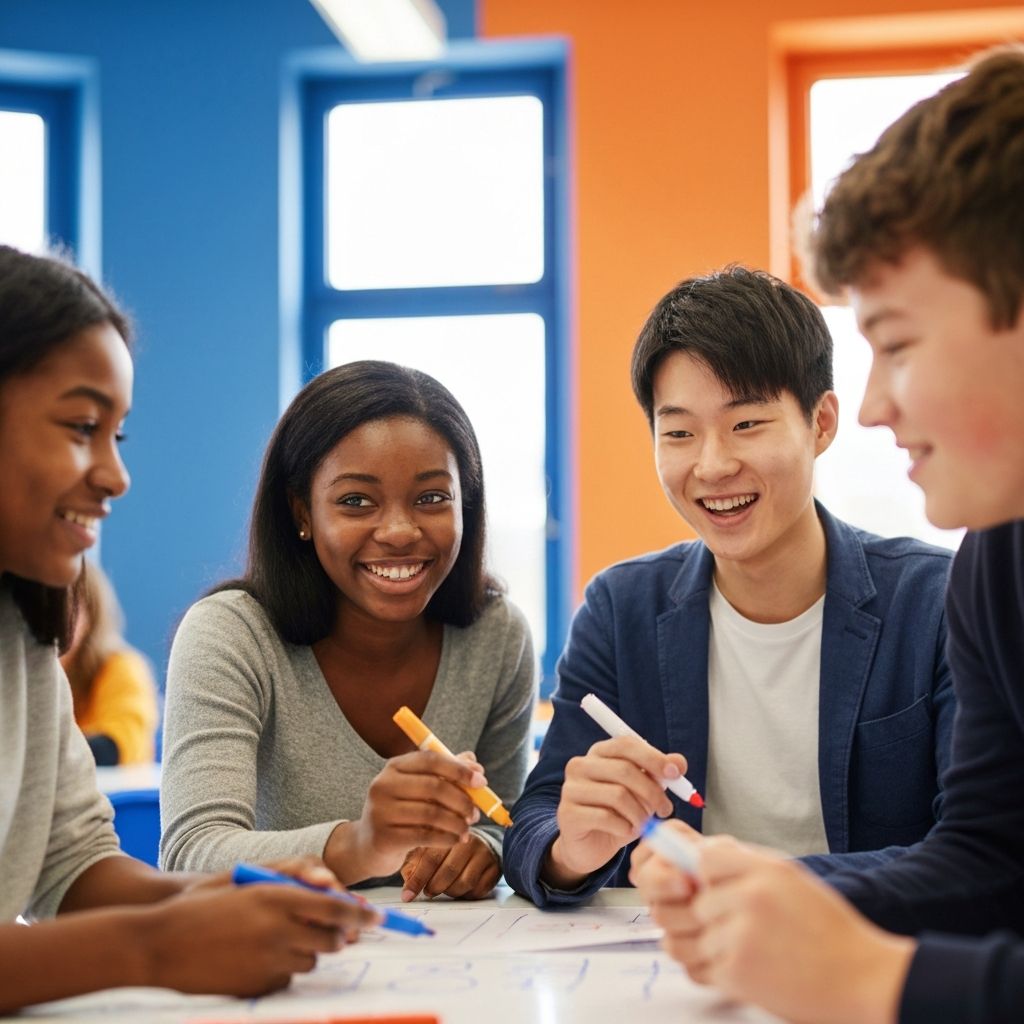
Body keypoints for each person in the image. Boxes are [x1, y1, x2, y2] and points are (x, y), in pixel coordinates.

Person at [632, 44, 1024, 1024]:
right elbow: (988, 857)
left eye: (895, 343)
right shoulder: (997, 560)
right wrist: (777, 901)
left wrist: (874, 982)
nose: (880, 405)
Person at [503, 266, 954, 908]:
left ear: (821, 423)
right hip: (675, 976)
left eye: (746, 425)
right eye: (679, 432)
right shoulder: (621, 607)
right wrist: (572, 850)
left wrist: (767, 885)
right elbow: (538, 819)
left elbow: (974, 847)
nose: (712, 465)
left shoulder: (936, 601)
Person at [0, 245, 375, 1014]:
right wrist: (159, 945)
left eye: (118, 435)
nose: (115, 475)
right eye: (80, 426)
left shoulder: (25, 629)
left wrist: (224, 901)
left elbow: (73, 864)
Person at [160, 360, 536, 903]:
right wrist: (359, 845)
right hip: (281, 964)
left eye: (432, 497)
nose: (400, 531)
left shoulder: (497, 637)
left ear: (467, 505)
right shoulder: (232, 634)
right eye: (356, 501)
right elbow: (190, 856)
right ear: (301, 513)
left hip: (444, 968)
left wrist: (484, 848)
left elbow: (505, 820)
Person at [61, 559, 159, 766]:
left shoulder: (121, 668)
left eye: (68, 605)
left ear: (91, 615)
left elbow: (119, 745)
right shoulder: (24, 672)